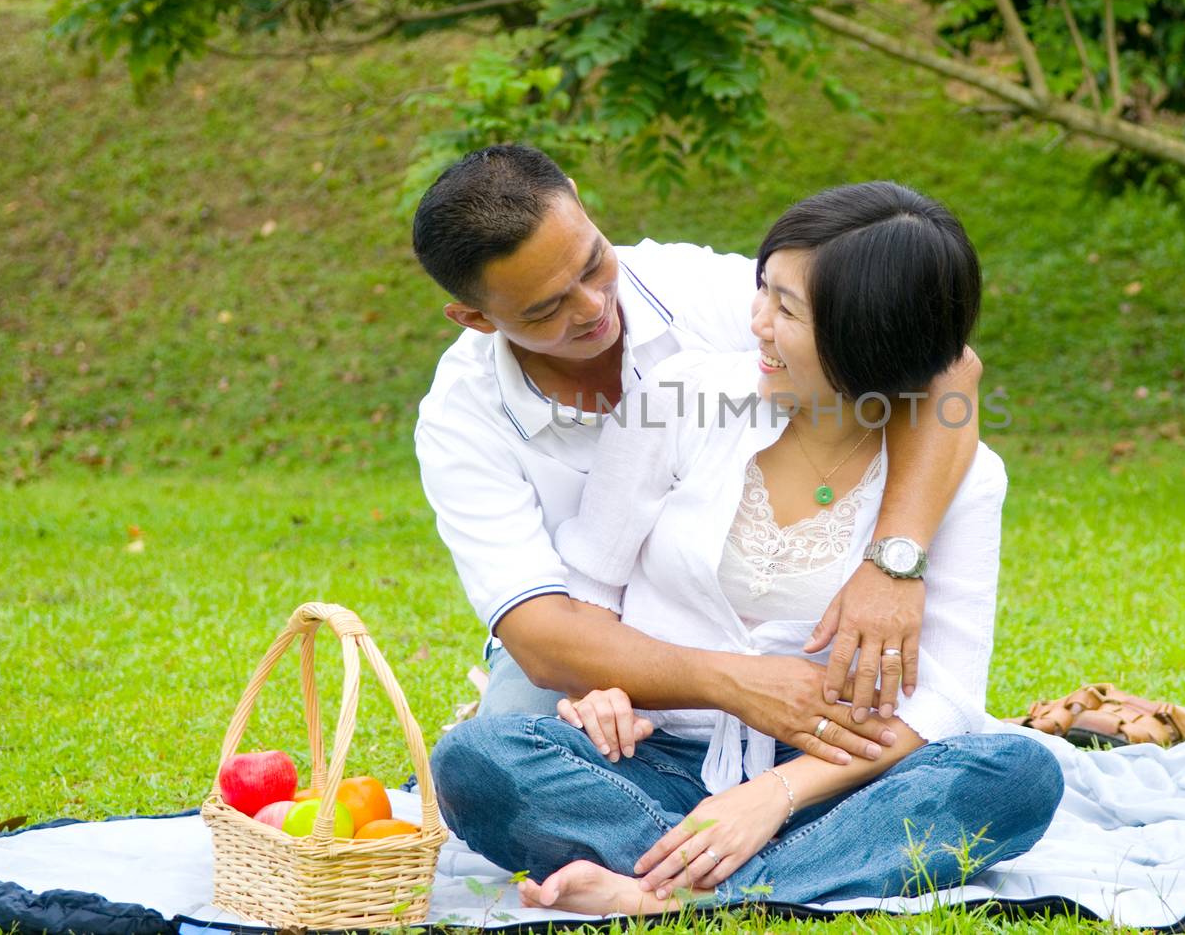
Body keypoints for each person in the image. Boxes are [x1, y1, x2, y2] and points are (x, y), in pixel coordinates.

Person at [431, 183, 1062, 914]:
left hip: (835, 775)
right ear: (477, 317)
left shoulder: (966, 479)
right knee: (479, 759)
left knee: (1017, 776)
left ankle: (676, 890)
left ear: (870, 334)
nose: (754, 321)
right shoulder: (674, 397)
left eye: (784, 309)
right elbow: (581, 603)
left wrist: (773, 793)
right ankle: (781, 874)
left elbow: (946, 701)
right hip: (656, 754)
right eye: (761, 294)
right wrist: (596, 690)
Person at [411, 145, 985, 762]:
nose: (592, 307)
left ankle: (709, 831)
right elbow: (545, 640)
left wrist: (892, 563)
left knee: (970, 764)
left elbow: (943, 368)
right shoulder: (460, 418)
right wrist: (736, 685)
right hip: (583, 641)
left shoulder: (694, 286)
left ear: (579, 203)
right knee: (496, 755)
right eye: (546, 309)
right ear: (475, 318)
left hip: (736, 612)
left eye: (592, 263)